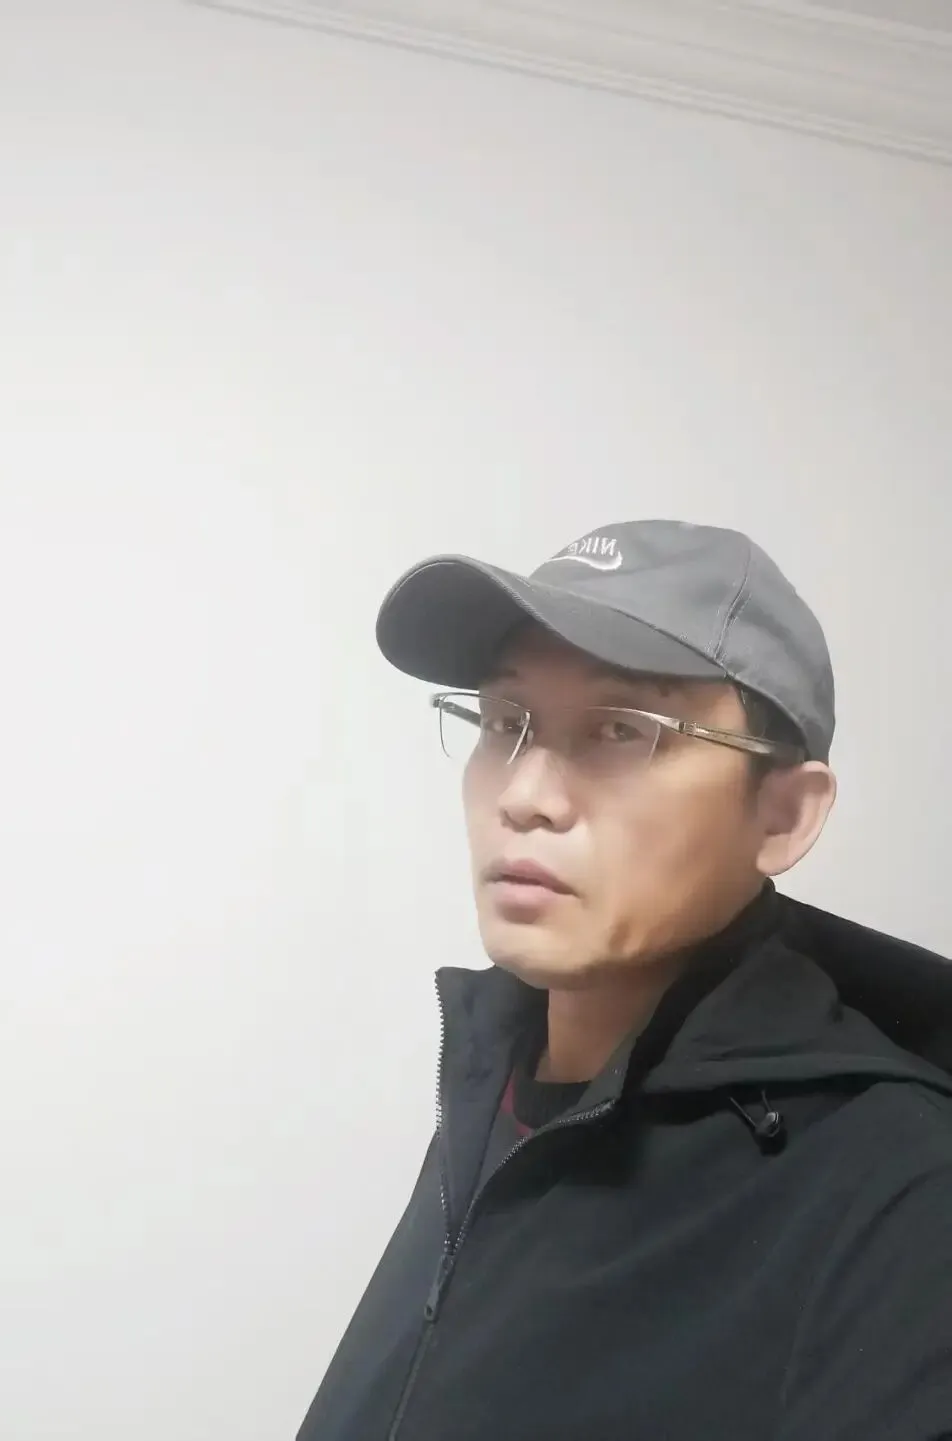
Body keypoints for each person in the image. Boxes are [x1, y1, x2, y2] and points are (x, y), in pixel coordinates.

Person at [296, 519, 952, 1441]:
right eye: (504, 721)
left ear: (782, 815)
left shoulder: (898, 1194)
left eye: (620, 730)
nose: (525, 795)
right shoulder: (494, 1072)